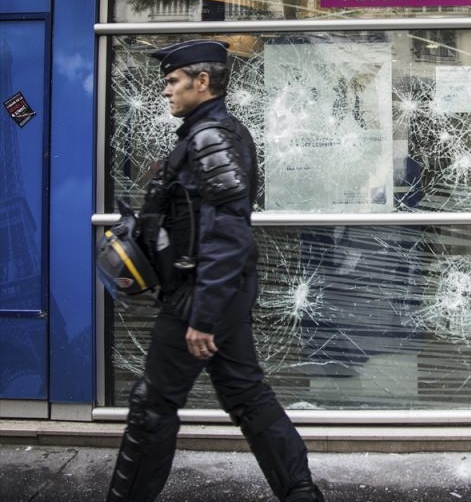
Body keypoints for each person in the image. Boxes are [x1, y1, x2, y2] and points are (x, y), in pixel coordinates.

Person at [106, 39, 324, 502]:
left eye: (173, 81)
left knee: (152, 405)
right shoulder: (205, 134)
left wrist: (202, 316)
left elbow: (228, 234)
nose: (165, 90)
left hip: (199, 296)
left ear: (202, 81)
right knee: (247, 396)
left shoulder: (210, 139)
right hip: (214, 292)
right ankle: (301, 493)